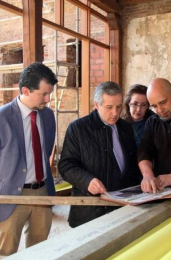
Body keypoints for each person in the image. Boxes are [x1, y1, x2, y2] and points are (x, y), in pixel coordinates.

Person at [0, 62, 58, 256]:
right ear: (25, 90)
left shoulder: (48, 116)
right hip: (9, 196)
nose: (48, 99)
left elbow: (45, 153)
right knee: (5, 255)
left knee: (38, 254)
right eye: (43, 94)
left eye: (50, 94)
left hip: (42, 192)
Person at [58, 81, 141, 228]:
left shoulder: (126, 128)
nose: (115, 113)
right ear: (96, 105)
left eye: (118, 106)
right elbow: (66, 165)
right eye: (109, 107)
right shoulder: (78, 128)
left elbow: (133, 165)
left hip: (122, 207)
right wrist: (87, 180)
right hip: (90, 211)